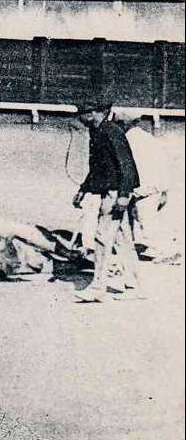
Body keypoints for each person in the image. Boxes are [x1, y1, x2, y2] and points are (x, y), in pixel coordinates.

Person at [71, 101, 141, 303]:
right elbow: (98, 168)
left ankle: (98, 287)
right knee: (123, 241)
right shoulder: (99, 131)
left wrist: (124, 194)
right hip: (112, 192)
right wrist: (83, 189)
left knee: (102, 238)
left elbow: (126, 164)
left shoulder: (111, 131)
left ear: (93, 113)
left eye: (82, 113)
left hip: (115, 194)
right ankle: (134, 286)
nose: (79, 118)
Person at [112, 110, 178, 262]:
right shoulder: (145, 137)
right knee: (143, 217)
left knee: (146, 218)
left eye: (118, 123)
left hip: (146, 185)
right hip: (152, 184)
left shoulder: (129, 139)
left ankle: (168, 251)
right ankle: (160, 245)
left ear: (125, 123)